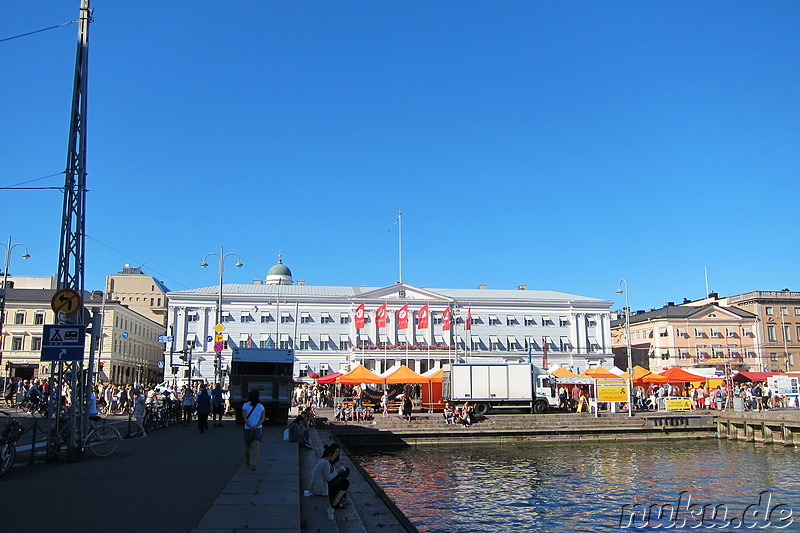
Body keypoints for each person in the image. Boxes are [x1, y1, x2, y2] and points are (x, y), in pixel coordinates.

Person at [310, 443, 350, 509]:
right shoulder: (325, 463)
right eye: (335, 454)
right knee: (345, 482)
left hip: (320, 486)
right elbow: (328, 478)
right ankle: (335, 503)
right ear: (330, 454)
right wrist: (337, 471)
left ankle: (339, 499)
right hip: (321, 489)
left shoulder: (323, 461)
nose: (336, 456)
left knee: (343, 476)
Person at [242, 389, 266, 470]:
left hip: (247, 428)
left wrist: (249, 425)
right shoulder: (261, 406)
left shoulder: (245, 405)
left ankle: (248, 460)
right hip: (258, 429)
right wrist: (256, 425)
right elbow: (263, 418)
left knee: (248, 446)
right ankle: (254, 463)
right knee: (257, 446)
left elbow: (244, 417)